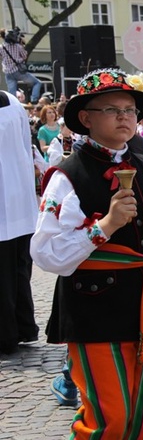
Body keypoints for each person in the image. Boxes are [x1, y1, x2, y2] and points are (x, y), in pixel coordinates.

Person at [30, 68, 143, 438]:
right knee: (111, 418)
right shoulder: (67, 175)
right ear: (86, 118)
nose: (124, 116)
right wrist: (103, 227)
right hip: (94, 310)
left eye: (130, 109)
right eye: (112, 109)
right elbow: (46, 253)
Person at [0, 90, 39, 355]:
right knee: (18, 269)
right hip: (19, 200)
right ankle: (24, 327)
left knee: (4, 273)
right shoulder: (12, 101)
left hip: (5, 200)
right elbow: (26, 147)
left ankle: (5, 336)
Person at [0, 28, 42, 104]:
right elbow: (24, 56)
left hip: (8, 73)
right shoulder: (18, 46)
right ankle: (34, 99)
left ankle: (13, 104)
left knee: (12, 93)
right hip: (18, 71)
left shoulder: (1, 47)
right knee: (37, 83)